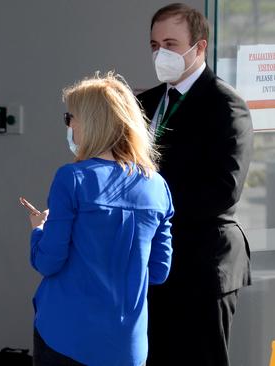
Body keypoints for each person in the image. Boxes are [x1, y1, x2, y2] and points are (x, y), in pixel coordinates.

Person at [27, 72, 174, 366]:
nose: (68, 126)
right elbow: (158, 271)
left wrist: (38, 230)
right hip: (127, 347)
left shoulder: (72, 178)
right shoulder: (157, 185)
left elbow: (47, 261)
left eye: (70, 117)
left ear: (91, 122)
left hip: (66, 337)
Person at [136, 4, 253, 366]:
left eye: (171, 43)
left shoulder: (225, 104)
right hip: (152, 266)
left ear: (199, 48)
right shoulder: (145, 102)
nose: (161, 53)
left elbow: (223, 190)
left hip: (203, 266)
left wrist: (154, 203)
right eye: (155, 45)